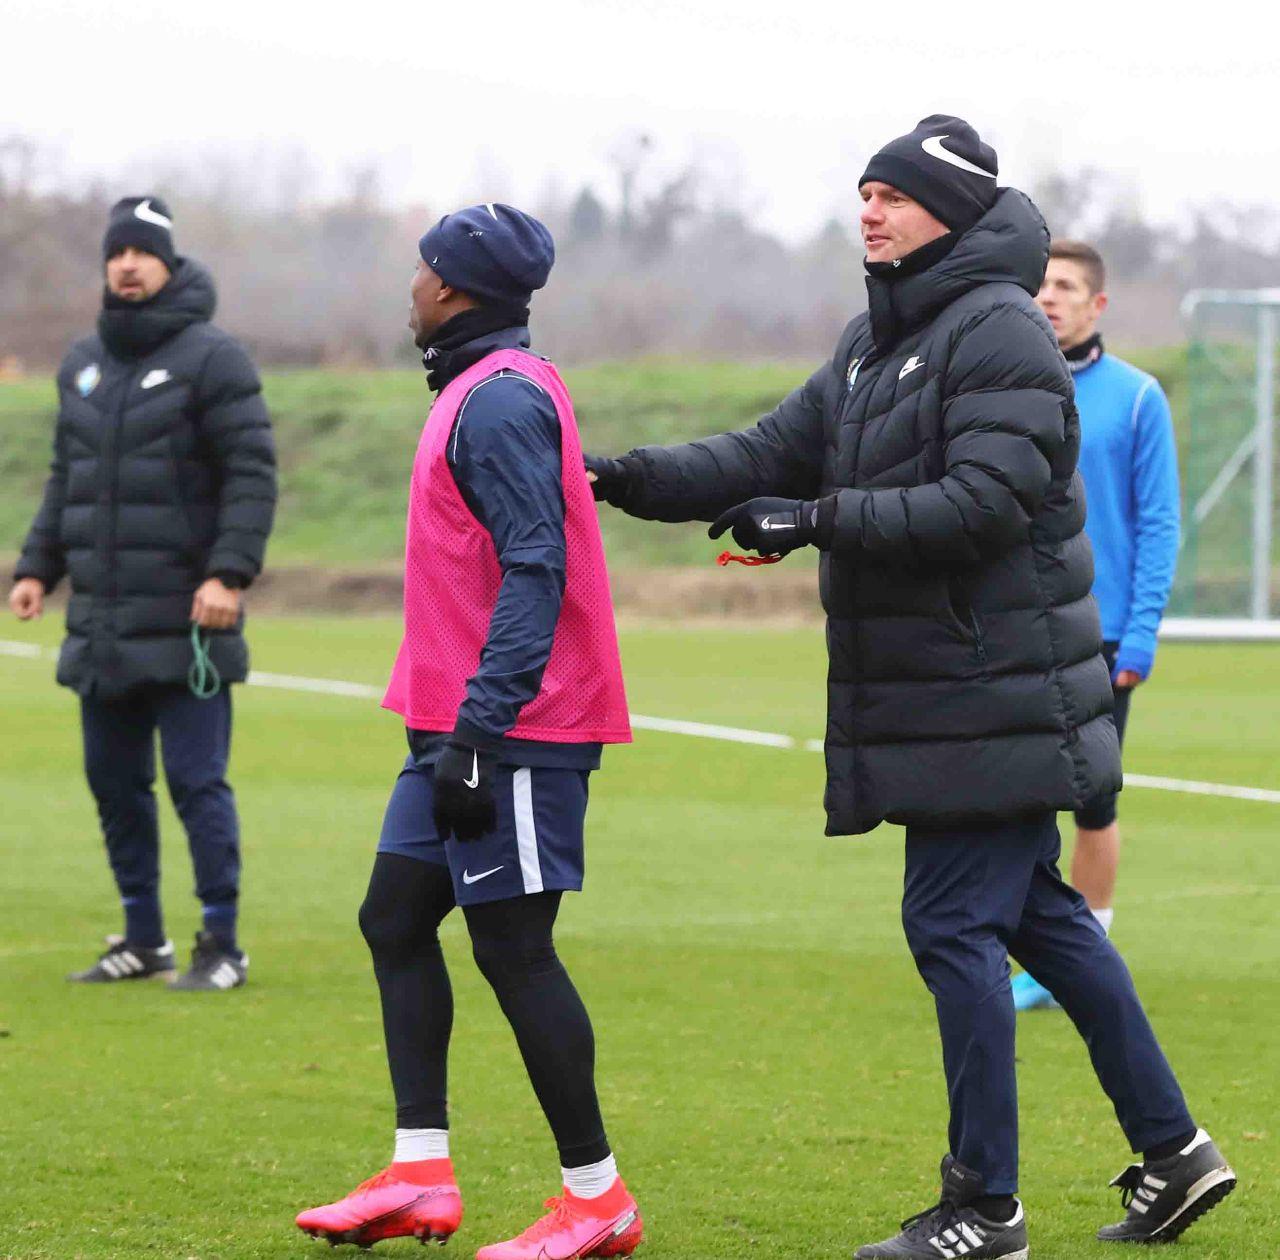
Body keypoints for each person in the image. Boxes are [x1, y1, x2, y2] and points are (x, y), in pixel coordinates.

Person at [587, 117, 1234, 1256]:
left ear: (952, 212)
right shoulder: (873, 339)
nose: (869, 211)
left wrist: (815, 520)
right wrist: (613, 476)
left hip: (989, 693)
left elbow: (981, 502)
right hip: (954, 697)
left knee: (949, 923)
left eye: (890, 194)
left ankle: (984, 1206)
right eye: (864, 193)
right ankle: (1176, 1153)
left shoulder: (1001, 331)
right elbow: (762, 454)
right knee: (1044, 921)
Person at [295, 204, 642, 1258]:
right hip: (452, 725)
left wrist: (483, 729)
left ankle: (597, 1199)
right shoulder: (474, 387)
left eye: (422, 267)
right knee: (394, 920)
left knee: (514, 949)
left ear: (450, 287)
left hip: (513, 729)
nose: (410, 283)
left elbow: (537, 568)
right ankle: (418, 1172)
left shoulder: (496, 401)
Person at [9, 196, 276, 992]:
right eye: (116, 253)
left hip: (189, 620)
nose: (127, 264)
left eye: (142, 252)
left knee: (197, 784)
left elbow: (252, 475)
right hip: (101, 624)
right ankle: (143, 938)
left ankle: (221, 945)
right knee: (114, 787)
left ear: (168, 262)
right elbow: (69, 478)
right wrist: (36, 567)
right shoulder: (82, 363)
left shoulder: (215, 358)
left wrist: (229, 574)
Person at [1010, 241, 1181, 1013]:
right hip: (1017, 627)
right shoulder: (1004, 387)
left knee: (1091, 803)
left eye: (1066, 286)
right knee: (1013, 797)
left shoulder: (1138, 398)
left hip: (1101, 638)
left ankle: (1080, 958)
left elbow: (1159, 523)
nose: (1048, 297)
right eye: (1039, 284)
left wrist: (1140, 635)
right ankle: (1026, 947)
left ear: (1097, 304)